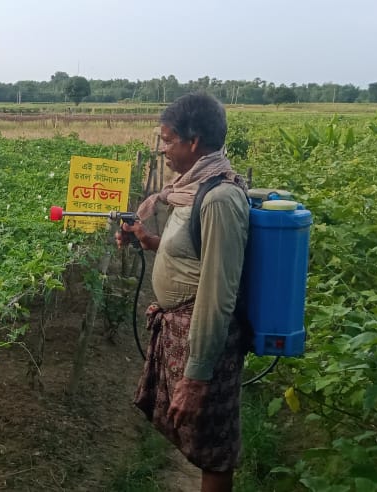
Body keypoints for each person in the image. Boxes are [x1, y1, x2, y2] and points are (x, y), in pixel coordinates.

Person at [116, 92, 249, 492]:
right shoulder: (191, 190)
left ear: (194, 142)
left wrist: (197, 375)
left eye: (168, 140)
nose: (163, 149)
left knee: (213, 450)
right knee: (197, 435)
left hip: (202, 338)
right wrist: (151, 242)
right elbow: (195, 254)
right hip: (183, 332)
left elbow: (217, 292)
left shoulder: (219, 199)